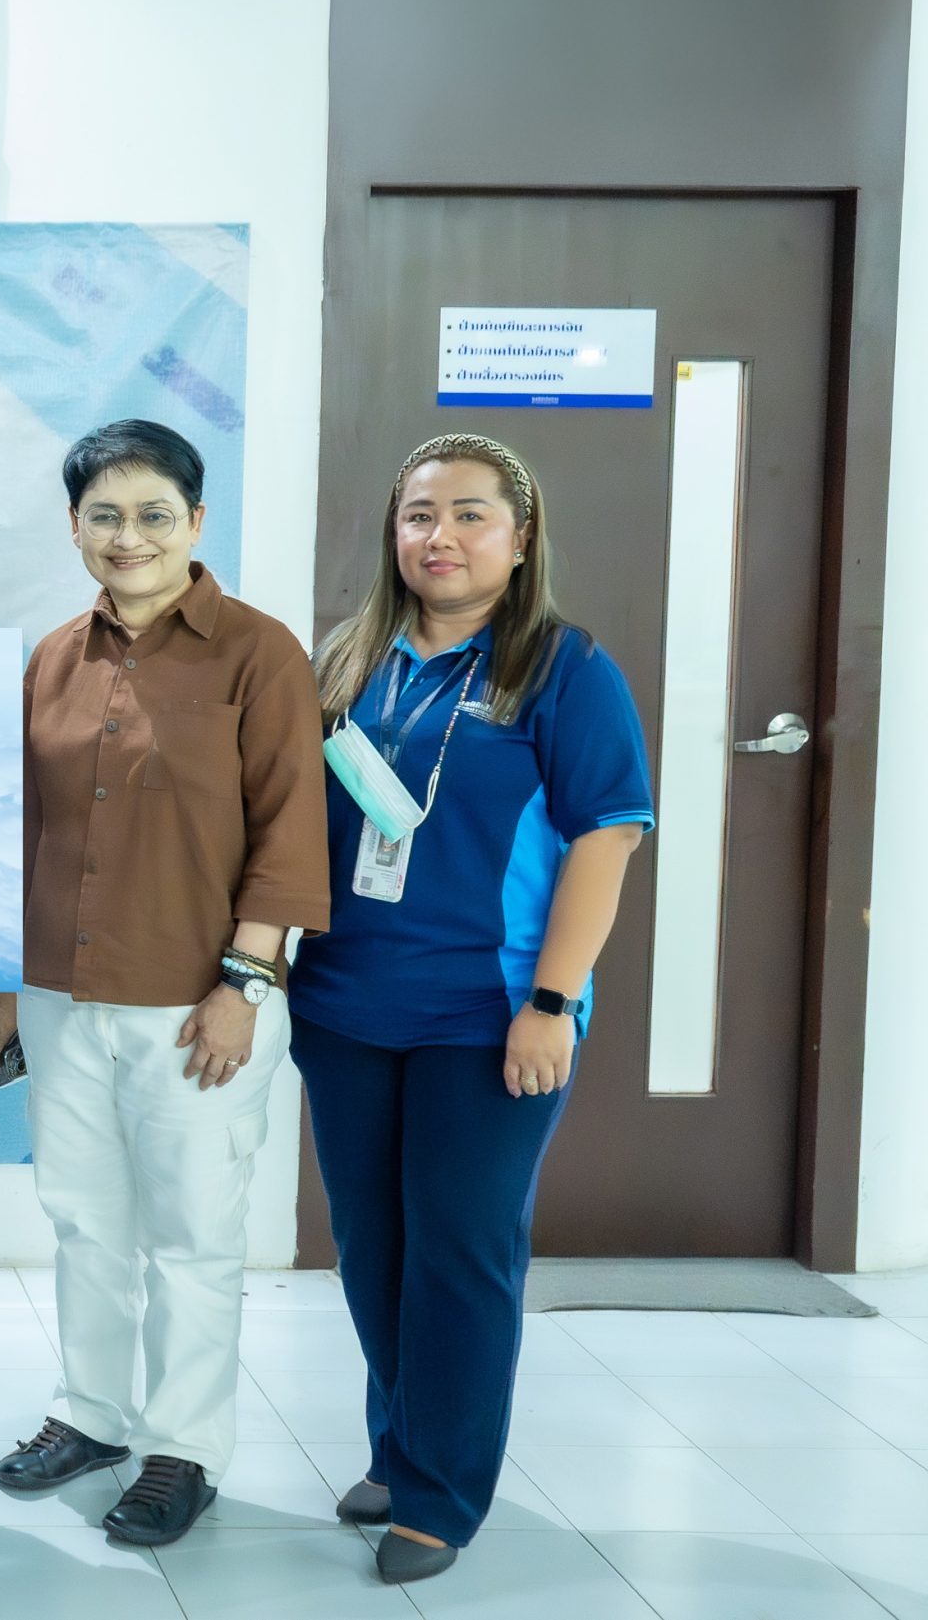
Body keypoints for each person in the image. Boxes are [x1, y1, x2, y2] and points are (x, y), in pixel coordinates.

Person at [290, 433, 652, 1586]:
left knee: (459, 1250)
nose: (437, 536)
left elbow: (607, 838)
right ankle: (401, 1445)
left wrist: (551, 998)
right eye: (417, 515)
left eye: (468, 514)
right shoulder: (349, 658)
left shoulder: (562, 668)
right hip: (346, 1004)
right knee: (372, 1244)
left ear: (521, 534)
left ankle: (438, 1494)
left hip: (489, 1011)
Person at [0, 419, 330, 1545]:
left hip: (196, 1003)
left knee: (190, 1236)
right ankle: (91, 1414)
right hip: (59, 994)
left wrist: (244, 983)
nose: (129, 536)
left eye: (154, 514)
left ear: (196, 521)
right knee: (85, 1221)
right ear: (74, 525)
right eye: (105, 515)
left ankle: (185, 1446)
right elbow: (17, 829)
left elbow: (290, 828)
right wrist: (2, 982)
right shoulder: (51, 658)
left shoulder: (259, 653)